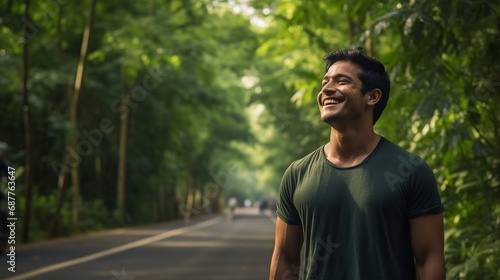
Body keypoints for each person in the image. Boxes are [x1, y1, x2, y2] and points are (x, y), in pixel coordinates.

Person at [269, 48, 445, 280]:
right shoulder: (297, 174)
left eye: (342, 81)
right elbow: (284, 257)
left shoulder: (411, 170)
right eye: (325, 82)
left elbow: (429, 260)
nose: (326, 89)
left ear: (372, 96)